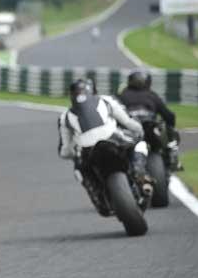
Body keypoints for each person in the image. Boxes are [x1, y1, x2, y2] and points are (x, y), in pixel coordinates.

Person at [57, 79, 152, 214]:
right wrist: (140, 131)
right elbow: (128, 122)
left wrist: (73, 155)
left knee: (79, 169)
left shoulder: (65, 116)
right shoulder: (106, 100)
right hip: (114, 139)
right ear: (94, 91)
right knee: (140, 144)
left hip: (87, 151)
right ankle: (139, 172)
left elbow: (65, 150)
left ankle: (96, 195)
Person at [117, 70, 181, 171]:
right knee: (169, 133)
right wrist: (170, 126)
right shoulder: (152, 95)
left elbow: (115, 115)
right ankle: (172, 155)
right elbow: (169, 115)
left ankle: (171, 153)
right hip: (149, 126)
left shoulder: (123, 95)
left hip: (131, 128)